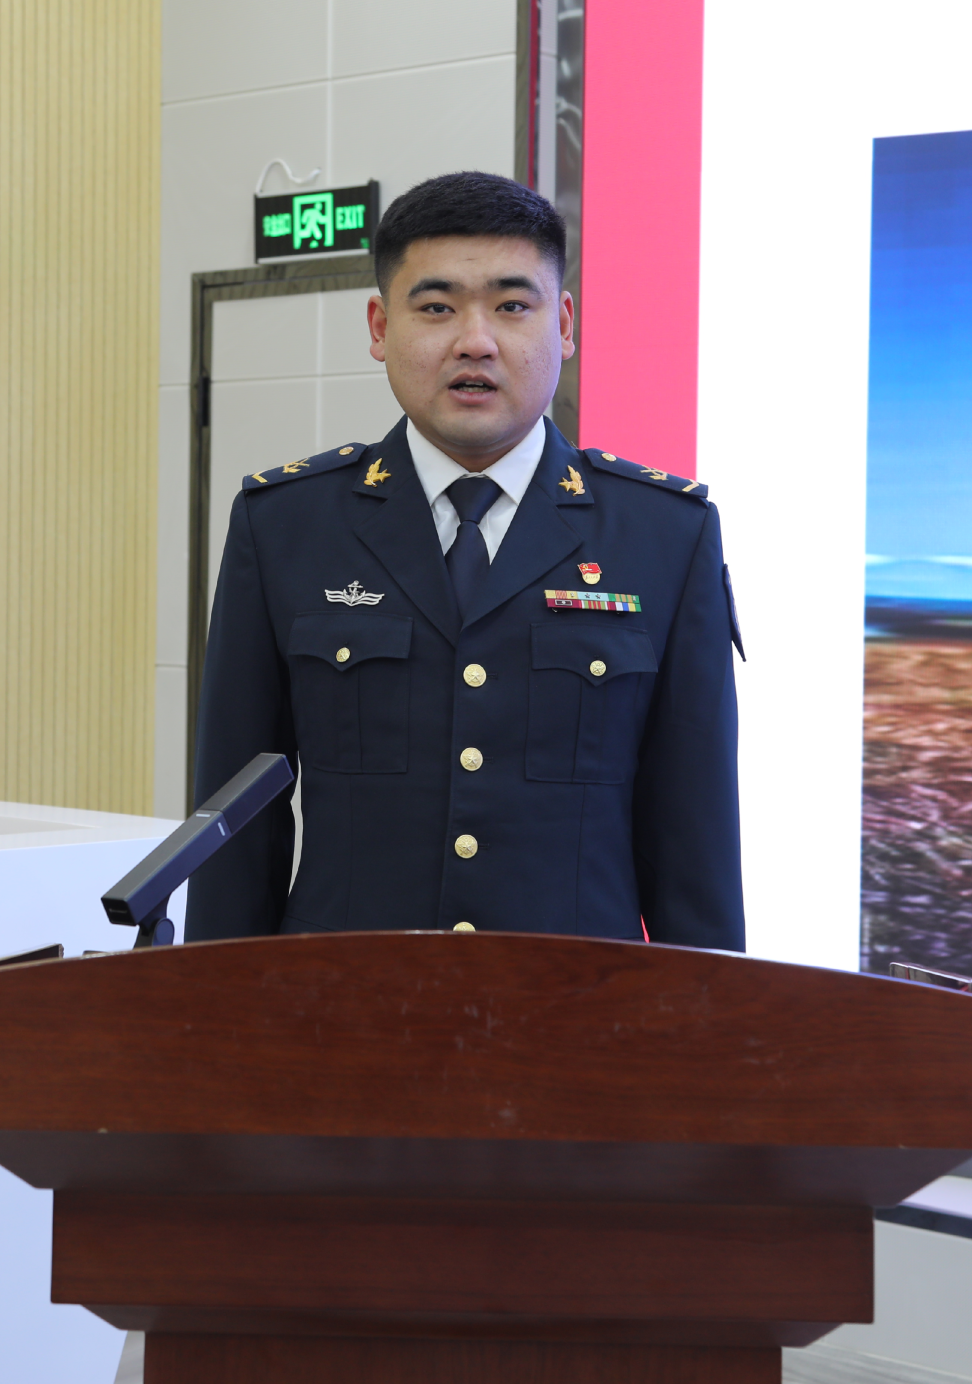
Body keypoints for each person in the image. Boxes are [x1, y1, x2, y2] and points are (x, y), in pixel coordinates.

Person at [187, 170, 744, 950]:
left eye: (512, 306)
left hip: (579, 1007)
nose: (475, 341)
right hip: (342, 1002)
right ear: (380, 326)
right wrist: (214, 1013)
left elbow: (696, 843)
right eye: (437, 307)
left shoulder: (664, 535)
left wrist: (708, 1021)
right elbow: (234, 828)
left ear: (564, 324)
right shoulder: (285, 526)